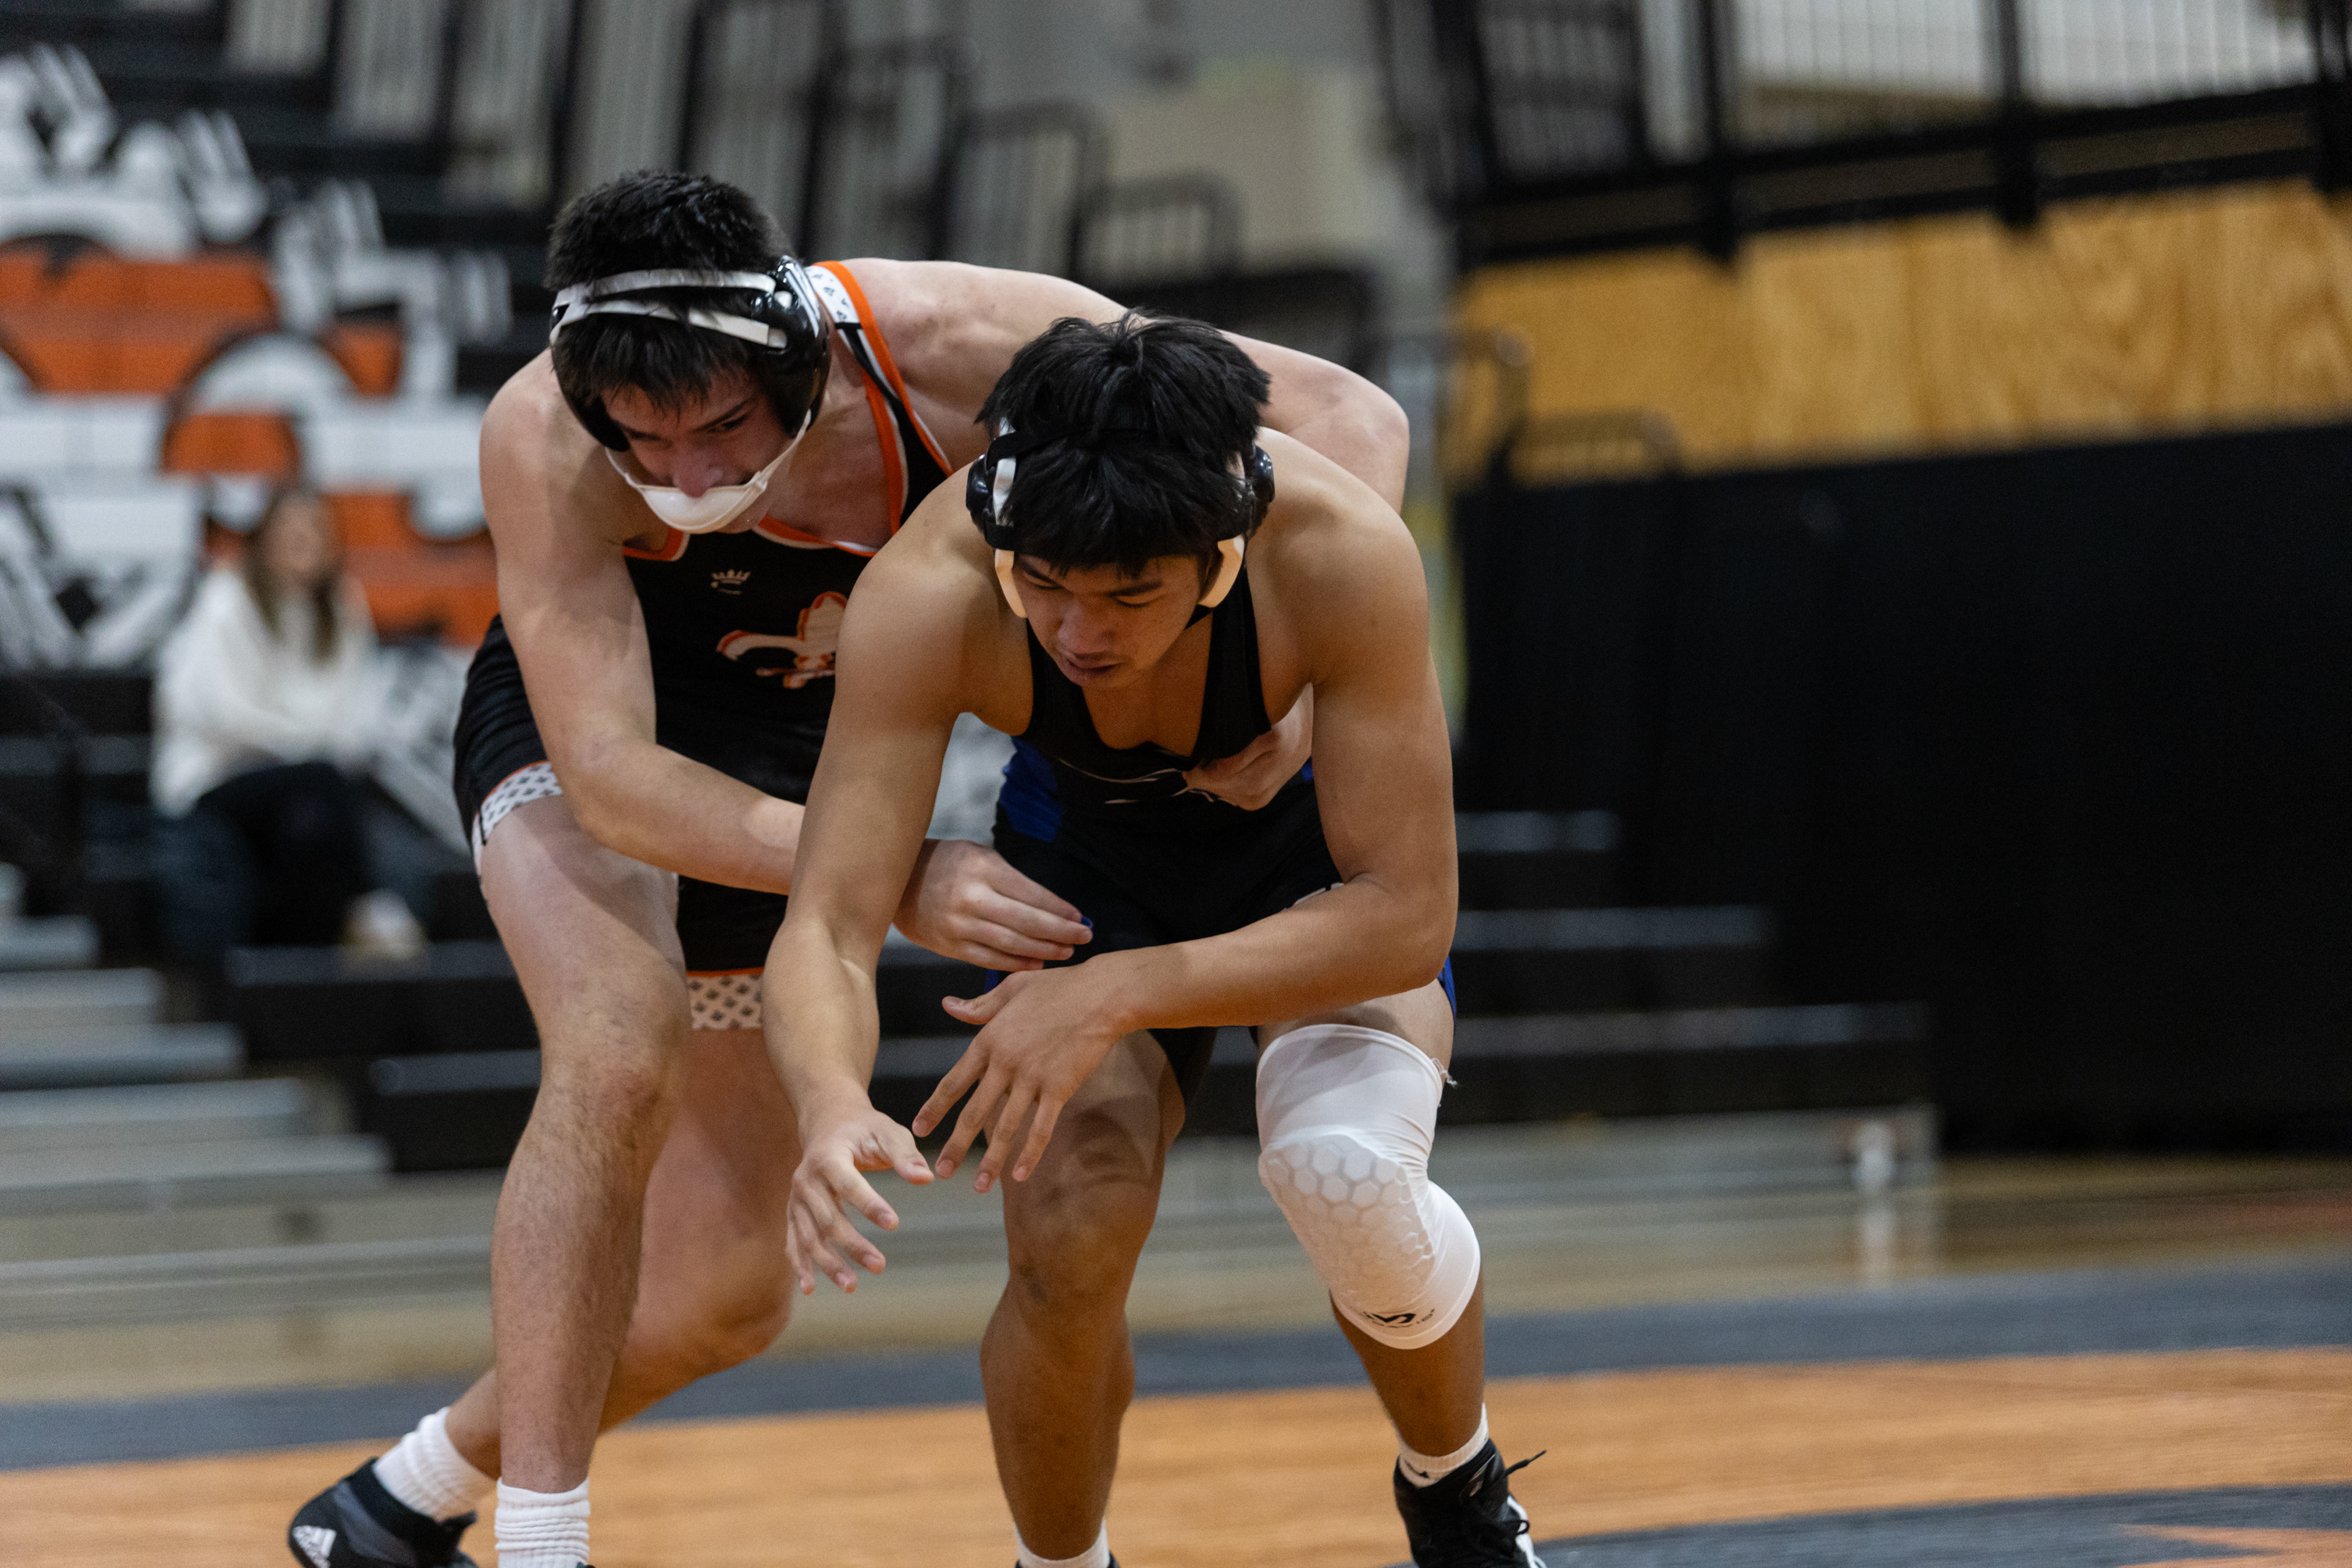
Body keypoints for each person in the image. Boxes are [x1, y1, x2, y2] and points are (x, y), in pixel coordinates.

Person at [285, 172, 1407, 1568]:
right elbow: (615, 779)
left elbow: (1352, 419)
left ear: (797, 358)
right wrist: (895, 874)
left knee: (724, 1296)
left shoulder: (961, 342)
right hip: (610, 747)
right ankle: (545, 1547)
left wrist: (1293, 698)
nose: (690, 478)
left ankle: (398, 1501)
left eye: (721, 429)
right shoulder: (544, 431)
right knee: (616, 1046)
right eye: (644, 440)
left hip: (808, 750)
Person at [767, 315, 1543, 1568]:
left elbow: (1405, 915)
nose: (1079, 633)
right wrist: (826, 1104)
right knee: (1069, 1234)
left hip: (1308, 860)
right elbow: (829, 921)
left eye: (1130, 594)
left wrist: (1119, 993)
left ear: (1223, 557)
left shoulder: (1340, 552)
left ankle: (1458, 1495)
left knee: (1343, 1167)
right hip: (1088, 864)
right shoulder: (934, 583)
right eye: (1047, 586)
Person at [153, 485, 426, 967]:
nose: (305, 541)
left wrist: (310, 750)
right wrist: (308, 746)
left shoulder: (342, 607)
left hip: (310, 786)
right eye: (292, 530)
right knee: (322, 787)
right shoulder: (226, 600)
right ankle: (371, 910)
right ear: (264, 539)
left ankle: (300, 971)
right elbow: (224, 715)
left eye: (316, 530)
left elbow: (358, 715)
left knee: (308, 826)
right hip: (222, 777)